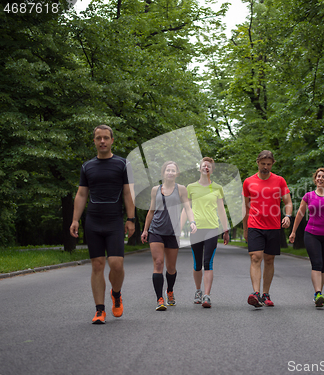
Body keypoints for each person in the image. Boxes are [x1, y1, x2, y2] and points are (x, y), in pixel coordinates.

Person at [70, 125, 135, 324]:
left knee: (116, 264)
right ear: (94, 141)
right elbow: (82, 194)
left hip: (114, 220)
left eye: (106, 138)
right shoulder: (87, 166)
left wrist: (131, 219)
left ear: (112, 140)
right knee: (97, 265)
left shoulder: (123, 164)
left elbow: (128, 193)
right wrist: (75, 219)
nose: (102, 141)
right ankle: (99, 310)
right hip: (93, 221)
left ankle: (116, 294)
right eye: (99, 138)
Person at [141, 161, 197, 311]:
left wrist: (192, 222)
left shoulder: (181, 189)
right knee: (158, 263)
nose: (170, 173)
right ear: (163, 173)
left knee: (171, 268)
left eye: (173, 170)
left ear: (177, 173)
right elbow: (151, 211)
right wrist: (145, 230)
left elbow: (187, 207)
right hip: (156, 231)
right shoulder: (155, 190)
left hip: (173, 232)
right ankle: (160, 299)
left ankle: (170, 291)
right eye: (168, 170)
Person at [243, 150, 292, 307]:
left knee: (269, 260)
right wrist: (245, 229)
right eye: (263, 164)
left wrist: (287, 216)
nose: (265, 167)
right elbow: (245, 207)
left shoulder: (279, 181)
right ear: (257, 162)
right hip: (254, 225)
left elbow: (288, 202)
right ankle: (256, 293)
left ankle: (266, 294)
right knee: (256, 257)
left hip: (273, 226)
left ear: (273, 164)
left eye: (268, 164)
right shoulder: (248, 182)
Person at [289, 168, 324, 307]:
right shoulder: (308, 196)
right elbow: (300, 214)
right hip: (312, 234)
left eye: (323, 177)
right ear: (315, 180)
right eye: (318, 176)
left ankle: (319, 294)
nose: (320, 179)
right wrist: (294, 231)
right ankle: (318, 293)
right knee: (317, 263)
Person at [183, 157, 229, 308]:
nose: (206, 168)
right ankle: (198, 291)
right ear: (200, 168)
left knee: (207, 262)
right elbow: (187, 208)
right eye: (204, 166)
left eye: (209, 166)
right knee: (197, 263)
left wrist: (226, 229)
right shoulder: (190, 187)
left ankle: (207, 295)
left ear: (212, 169)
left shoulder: (217, 188)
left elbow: (221, 210)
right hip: (195, 229)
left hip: (211, 228)